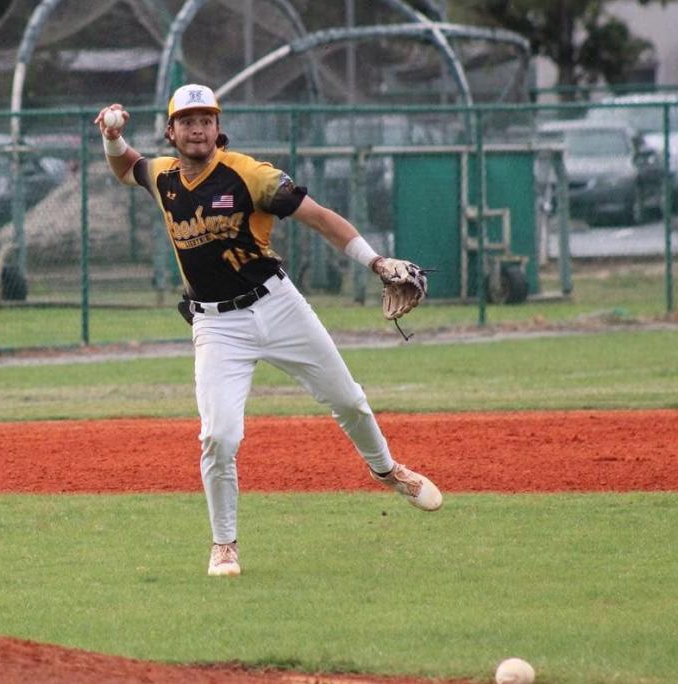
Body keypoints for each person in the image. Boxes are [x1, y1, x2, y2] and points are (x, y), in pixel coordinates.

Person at [94, 84, 442, 578]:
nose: (198, 128)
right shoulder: (163, 176)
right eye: (187, 120)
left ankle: (387, 470)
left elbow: (319, 219)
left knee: (349, 400)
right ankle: (224, 545)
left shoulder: (249, 176)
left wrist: (376, 260)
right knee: (219, 436)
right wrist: (111, 136)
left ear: (218, 128)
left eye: (206, 119)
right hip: (217, 325)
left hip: (278, 307)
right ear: (170, 131)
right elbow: (128, 167)